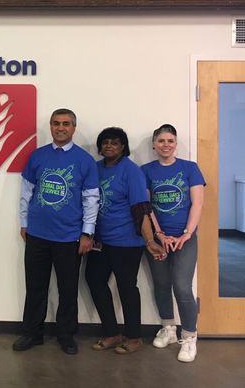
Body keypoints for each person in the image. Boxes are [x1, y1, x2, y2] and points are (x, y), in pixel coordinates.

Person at [13, 108, 99, 355]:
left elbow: (91, 199)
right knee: (35, 286)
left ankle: (66, 335)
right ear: (50, 126)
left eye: (66, 124)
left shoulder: (85, 161)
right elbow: (26, 193)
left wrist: (87, 233)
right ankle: (32, 333)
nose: (60, 127)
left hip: (69, 237)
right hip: (37, 234)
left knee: (68, 289)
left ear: (74, 127)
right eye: (56, 123)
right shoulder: (37, 156)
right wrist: (24, 222)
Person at [85, 127, 166, 354]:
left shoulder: (131, 172)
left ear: (123, 147)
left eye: (115, 143)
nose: (109, 146)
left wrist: (150, 241)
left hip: (127, 242)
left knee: (126, 287)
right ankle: (111, 333)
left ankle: (133, 336)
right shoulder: (96, 168)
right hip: (100, 241)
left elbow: (141, 209)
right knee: (94, 280)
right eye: (105, 142)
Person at [142, 124, 205, 363]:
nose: (165, 145)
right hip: (158, 240)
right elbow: (146, 207)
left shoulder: (190, 168)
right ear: (154, 144)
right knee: (161, 283)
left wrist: (186, 233)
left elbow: (197, 204)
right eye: (161, 141)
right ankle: (168, 328)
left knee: (181, 285)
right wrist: (159, 234)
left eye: (170, 141)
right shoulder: (146, 170)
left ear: (176, 144)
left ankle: (189, 337)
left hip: (184, 239)